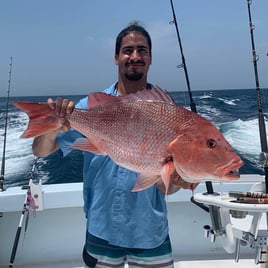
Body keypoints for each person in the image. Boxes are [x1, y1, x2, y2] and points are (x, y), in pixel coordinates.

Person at [32, 22, 197, 268]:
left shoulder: (168, 114)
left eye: (142, 50)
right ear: (116, 57)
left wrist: (178, 179)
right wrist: (52, 126)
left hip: (149, 232)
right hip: (101, 228)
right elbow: (41, 150)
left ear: (150, 58)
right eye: (128, 50)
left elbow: (166, 190)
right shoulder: (91, 108)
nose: (135, 56)